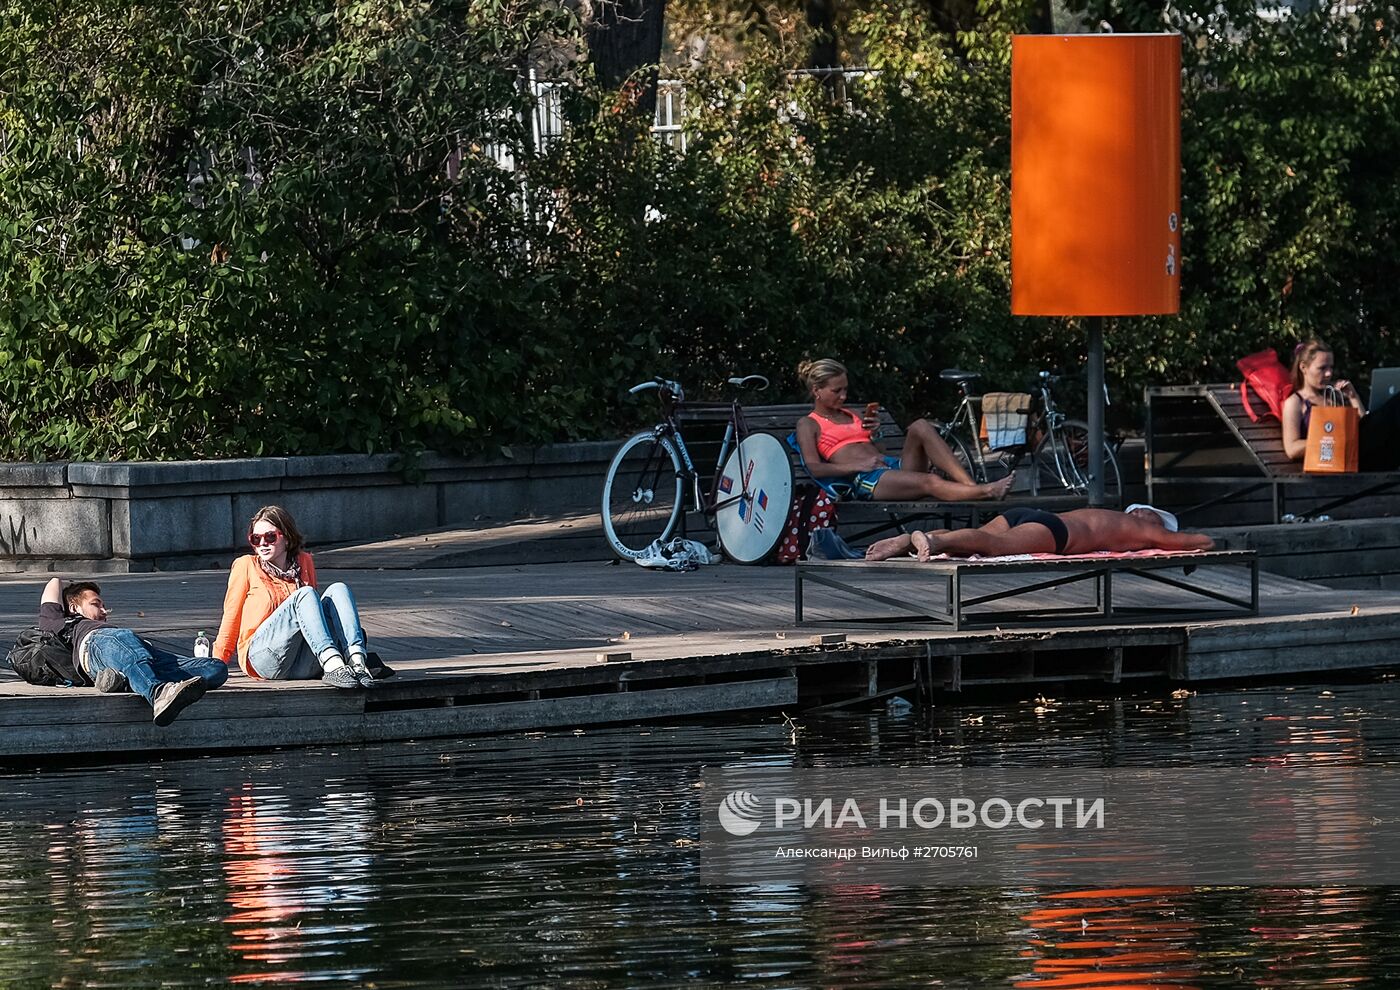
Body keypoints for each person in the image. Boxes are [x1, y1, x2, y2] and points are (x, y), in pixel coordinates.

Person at [213, 505, 394, 689]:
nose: (262, 544)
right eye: (255, 539)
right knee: (306, 594)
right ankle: (333, 664)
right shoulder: (246, 566)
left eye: (270, 537)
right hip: (263, 660)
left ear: (287, 537)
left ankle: (357, 662)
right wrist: (215, 664)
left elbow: (315, 622)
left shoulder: (304, 561)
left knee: (338, 589)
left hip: (302, 662)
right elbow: (231, 617)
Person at [794, 358, 1015, 502]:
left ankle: (970, 487)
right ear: (817, 391)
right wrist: (857, 465)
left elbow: (880, 449)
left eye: (845, 390)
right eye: (836, 391)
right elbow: (814, 468)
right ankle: (986, 491)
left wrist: (876, 434)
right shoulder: (809, 423)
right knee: (930, 482)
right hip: (866, 478)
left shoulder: (854, 414)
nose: (843, 396)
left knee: (920, 425)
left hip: (891, 467)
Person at [37, 578, 227, 725]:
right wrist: (72, 586)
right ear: (73, 607)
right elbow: (54, 582)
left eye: (104, 605)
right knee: (121, 636)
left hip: (142, 652)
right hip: (96, 647)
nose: (104, 610)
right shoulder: (60, 623)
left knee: (216, 668)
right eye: (96, 604)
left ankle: (125, 680)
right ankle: (158, 693)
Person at [865, 504, 1215, 560]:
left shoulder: (1138, 527)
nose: (1143, 512)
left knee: (978, 537)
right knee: (994, 546)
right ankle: (934, 540)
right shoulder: (1142, 530)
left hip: (1033, 516)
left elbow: (1194, 541)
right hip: (1056, 530)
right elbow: (1200, 541)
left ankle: (910, 538)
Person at [1282, 338, 1400, 471]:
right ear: (1303, 367)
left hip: (1356, 453)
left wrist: (1353, 397)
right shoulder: (1295, 402)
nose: (1328, 373)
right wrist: (1329, 440)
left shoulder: (1334, 395)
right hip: (1334, 458)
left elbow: (1362, 425)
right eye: (1322, 368)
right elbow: (1292, 449)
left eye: (1331, 367)